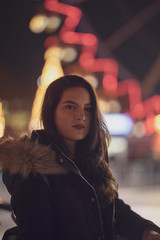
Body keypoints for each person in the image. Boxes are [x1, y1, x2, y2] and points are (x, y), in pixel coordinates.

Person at [0, 75, 160, 240]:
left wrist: (146, 230)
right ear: (51, 112)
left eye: (88, 108)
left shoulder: (90, 161)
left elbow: (111, 210)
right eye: (70, 107)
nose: (81, 116)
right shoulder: (33, 169)